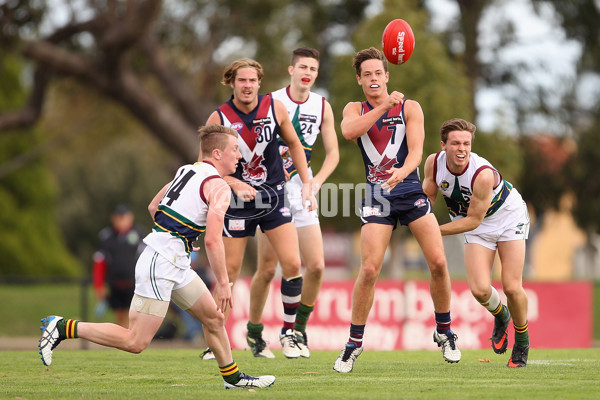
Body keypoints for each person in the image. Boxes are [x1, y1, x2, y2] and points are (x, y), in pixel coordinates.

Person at [38, 124, 276, 390]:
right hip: (161, 263)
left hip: (173, 260)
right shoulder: (218, 187)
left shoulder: (186, 170)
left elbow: (154, 206)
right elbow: (212, 239)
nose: (240, 156)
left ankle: (233, 379)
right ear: (217, 153)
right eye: (235, 150)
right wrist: (222, 281)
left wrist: (178, 237)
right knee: (135, 341)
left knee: (214, 318)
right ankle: (62, 328)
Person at [332, 47, 461, 373]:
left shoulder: (410, 107)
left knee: (439, 263)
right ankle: (353, 344)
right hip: (377, 198)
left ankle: (444, 332)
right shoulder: (354, 108)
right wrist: (383, 107)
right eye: (367, 74)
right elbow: (349, 131)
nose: (374, 79)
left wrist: (404, 171)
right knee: (370, 270)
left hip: (411, 193)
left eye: (379, 73)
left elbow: (417, 151)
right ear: (359, 79)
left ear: (387, 76)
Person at [202, 58, 317, 360]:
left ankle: (289, 335)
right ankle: (215, 341)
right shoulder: (220, 116)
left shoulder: (275, 107)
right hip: (237, 203)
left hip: (274, 198)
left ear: (259, 83)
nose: (248, 85)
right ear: (232, 83)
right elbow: (205, 167)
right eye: (242, 80)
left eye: (253, 80)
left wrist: (307, 183)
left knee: (292, 266)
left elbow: (294, 144)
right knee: (228, 272)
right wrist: (231, 182)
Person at [247, 47, 339, 358]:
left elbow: (334, 154)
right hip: (272, 188)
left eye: (313, 68)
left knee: (316, 266)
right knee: (268, 268)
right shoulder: (270, 101)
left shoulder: (323, 106)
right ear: (290, 69)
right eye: (302, 66)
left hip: (304, 189)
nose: (308, 73)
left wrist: (314, 184)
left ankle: (296, 330)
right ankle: (255, 331)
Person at [422, 118, 530, 368]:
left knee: (512, 287)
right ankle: (501, 315)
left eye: (467, 144)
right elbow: (426, 199)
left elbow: (473, 220)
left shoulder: (481, 174)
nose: (462, 149)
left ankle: (522, 341)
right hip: (478, 225)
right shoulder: (433, 164)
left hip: (507, 218)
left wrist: (432, 231)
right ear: (443, 145)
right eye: (456, 143)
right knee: (480, 289)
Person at [92, 204, 146, 328]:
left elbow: (145, 259)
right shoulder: (106, 236)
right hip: (115, 283)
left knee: (132, 315)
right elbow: (100, 262)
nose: (121, 221)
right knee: (120, 315)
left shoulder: (139, 234)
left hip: (134, 283)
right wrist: (99, 285)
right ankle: (124, 341)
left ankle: (130, 339)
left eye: (124, 217)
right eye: (118, 217)